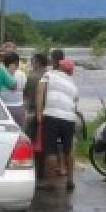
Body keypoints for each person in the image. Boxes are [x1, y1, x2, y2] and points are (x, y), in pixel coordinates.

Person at [36, 56, 81, 190]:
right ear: (70, 72)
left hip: (52, 115)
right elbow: (75, 104)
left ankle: (51, 183)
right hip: (69, 119)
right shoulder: (73, 85)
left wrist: (39, 112)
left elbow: (40, 92)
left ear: (60, 67)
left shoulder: (49, 75)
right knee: (68, 149)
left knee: (51, 149)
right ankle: (70, 181)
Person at [23, 52, 50, 178]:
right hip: (49, 112)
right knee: (45, 142)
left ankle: (31, 169)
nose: (31, 63)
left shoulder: (33, 76)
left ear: (38, 62)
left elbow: (27, 95)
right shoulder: (50, 75)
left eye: (32, 61)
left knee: (31, 140)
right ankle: (42, 170)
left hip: (34, 111)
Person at [1, 52, 27, 126]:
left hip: (3, 108)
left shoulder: (0, 73)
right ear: (17, 63)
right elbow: (24, 89)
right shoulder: (22, 74)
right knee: (18, 134)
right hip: (18, 107)